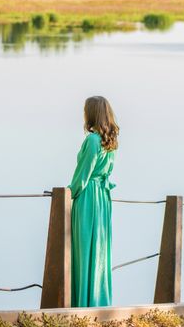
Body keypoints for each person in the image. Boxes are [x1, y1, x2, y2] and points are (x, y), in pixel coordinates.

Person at [68, 96, 119, 307]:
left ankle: (83, 305)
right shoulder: (111, 141)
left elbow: (82, 176)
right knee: (99, 250)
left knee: (84, 250)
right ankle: (98, 302)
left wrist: (68, 194)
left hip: (88, 198)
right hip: (103, 198)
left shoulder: (91, 141)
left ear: (91, 114)